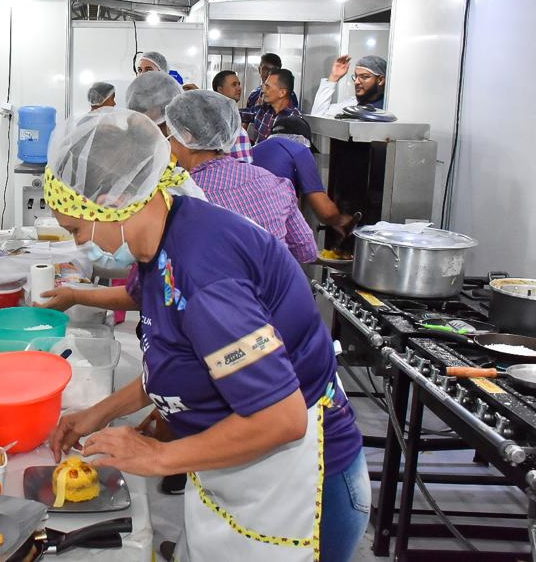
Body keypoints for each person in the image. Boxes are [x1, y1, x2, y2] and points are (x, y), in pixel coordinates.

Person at [43, 108, 367, 562]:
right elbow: (184, 358)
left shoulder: (206, 278)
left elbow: (282, 419)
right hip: (237, 473)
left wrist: (155, 456)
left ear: (114, 199)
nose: (79, 244)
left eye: (76, 228)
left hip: (299, 486)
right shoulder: (162, 237)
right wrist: (99, 412)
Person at [166, 90, 317, 264]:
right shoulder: (274, 182)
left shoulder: (180, 195)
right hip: (276, 289)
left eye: (172, 136)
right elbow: (307, 251)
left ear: (187, 137)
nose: (170, 145)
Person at [252, 116, 358, 237]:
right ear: (303, 140)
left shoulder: (253, 150)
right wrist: (341, 220)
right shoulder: (300, 150)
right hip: (269, 234)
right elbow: (326, 213)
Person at [311, 55, 387, 118]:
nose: (356, 82)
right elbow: (317, 116)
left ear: (380, 80)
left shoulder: (387, 108)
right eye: (356, 76)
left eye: (364, 77)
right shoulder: (353, 104)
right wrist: (334, 77)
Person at [242, 52, 300, 123]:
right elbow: (248, 117)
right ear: (259, 69)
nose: (269, 72)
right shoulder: (254, 94)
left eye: (273, 70)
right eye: (265, 69)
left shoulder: (289, 95)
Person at [212, 70, 253, 164]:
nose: (239, 88)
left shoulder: (234, 117)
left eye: (239, 84)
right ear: (220, 89)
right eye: (234, 85)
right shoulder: (220, 120)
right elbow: (244, 166)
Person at [251, 68, 301, 144]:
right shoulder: (264, 110)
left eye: (267, 87)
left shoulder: (294, 120)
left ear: (282, 93)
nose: (263, 90)